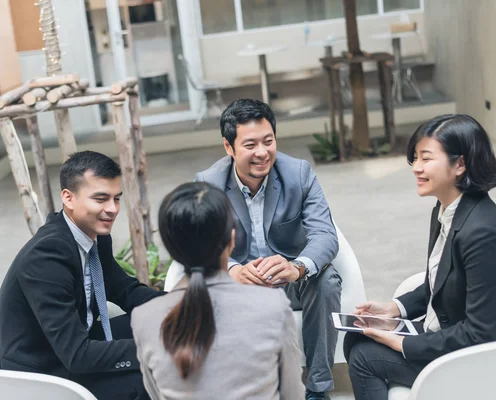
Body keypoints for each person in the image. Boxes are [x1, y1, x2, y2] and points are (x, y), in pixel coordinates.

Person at [0, 151, 164, 400]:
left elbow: (125, 289)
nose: (112, 209)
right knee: (150, 377)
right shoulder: (46, 256)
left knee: (160, 324)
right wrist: (161, 349)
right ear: (68, 198)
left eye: (116, 199)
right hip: (39, 371)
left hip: (74, 342)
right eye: (101, 199)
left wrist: (182, 307)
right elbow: (77, 355)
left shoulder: (94, 235)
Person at [192, 99, 340, 400]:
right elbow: (199, 245)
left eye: (268, 141)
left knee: (326, 280)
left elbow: (325, 234)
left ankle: (317, 389)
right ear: (228, 147)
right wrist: (232, 269)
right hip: (240, 287)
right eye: (250, 145)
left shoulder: (298, 173)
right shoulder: (208, 184)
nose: (262, 152)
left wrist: (297, 267)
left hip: (288, 281)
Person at [345, 114, 496, 400]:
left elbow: (481, 332)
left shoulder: (483, 231)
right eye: (415, 158)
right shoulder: (444, 211)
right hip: (443, 331)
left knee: (365, 357)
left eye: (426, 159)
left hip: (471, 359)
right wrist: (394, 309)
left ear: (460, 164)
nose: (416, 167)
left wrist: (402, 343)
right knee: (357, 334)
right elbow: (437, 285)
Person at [131, 182, 305, 399]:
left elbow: (156, 394)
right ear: (231, 240)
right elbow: (292, 395)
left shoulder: (144, 318)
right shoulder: (272, 306)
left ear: (170, 249)